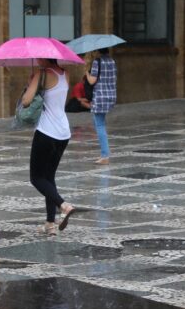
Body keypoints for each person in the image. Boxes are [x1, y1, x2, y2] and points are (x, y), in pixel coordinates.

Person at [21, 59, 76, 235]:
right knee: (49, 178)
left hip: (46, 132)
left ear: (45, 57)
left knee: (36, 178)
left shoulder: (42, 74)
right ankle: (50, 223)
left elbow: (26, 101)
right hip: (63, 132)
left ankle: (63, 205)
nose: (37, 59)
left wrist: (31, 84)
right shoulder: (65, 74)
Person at [86, 48, 117, 164]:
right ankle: (105, 154)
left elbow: (91, 81)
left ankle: (105, 155)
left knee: (99, 125)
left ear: (98, 51)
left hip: (100, 97)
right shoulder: (112, 61)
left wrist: (87, 72)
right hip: (110, 95)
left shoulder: (97, 62)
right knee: (99, 123)